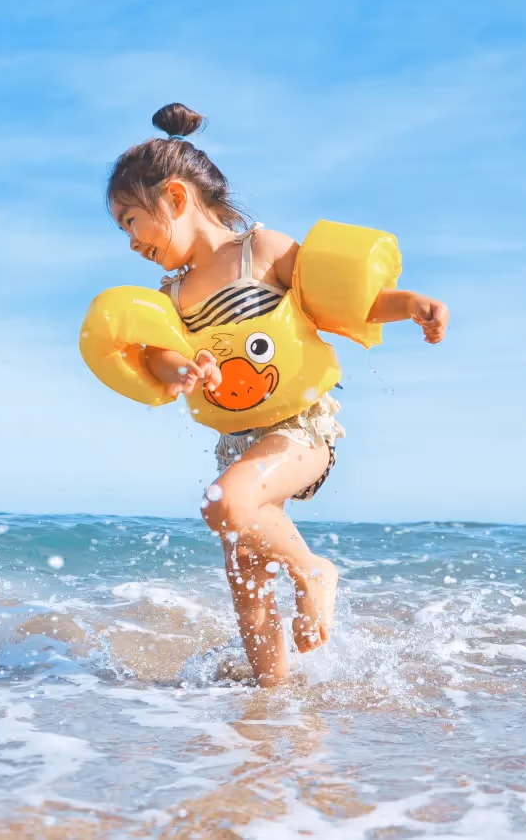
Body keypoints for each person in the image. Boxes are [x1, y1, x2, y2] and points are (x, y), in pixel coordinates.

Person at [105, 103, 449, 686]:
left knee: (223, 505)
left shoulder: (259, 251)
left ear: (176, 198)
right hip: (236, 443)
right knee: (246, 582)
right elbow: (159, 354)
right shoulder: (172, 292)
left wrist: (410, 303)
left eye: (131, 221)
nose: (131, 242)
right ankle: (271, 706)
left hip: (301, 429)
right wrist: (183, 368)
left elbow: (342, 301)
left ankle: (314, 573)